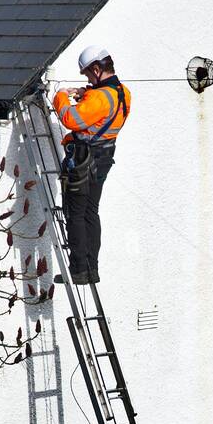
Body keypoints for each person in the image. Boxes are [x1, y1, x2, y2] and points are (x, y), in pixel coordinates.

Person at [52, 46, 131, 286]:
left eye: (87, 74)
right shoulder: (123, 92)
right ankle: (91, 269)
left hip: (83, 160)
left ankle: (78, 270)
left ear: (96, 69)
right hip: (104, 158)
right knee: (90, 212)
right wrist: (85, 93)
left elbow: (70, 119)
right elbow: (101, 106)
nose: (87, 79)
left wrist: (60, 96)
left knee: (75, 213)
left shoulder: (98, 98)